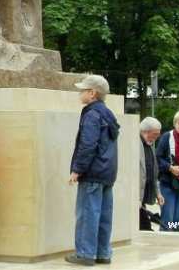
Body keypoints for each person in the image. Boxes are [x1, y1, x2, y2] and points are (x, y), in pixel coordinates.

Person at [66, 75, 120, 266]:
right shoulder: (108, 114)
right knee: (104, 215)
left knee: (88, 214)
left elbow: (88, 144)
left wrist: (77, 169)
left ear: (92, 93)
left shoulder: (91, 114)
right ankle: (103, 253)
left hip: (93, 173)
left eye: (83, 90)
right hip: (107, 173)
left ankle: (85, 254)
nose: (80, 93)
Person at [139, 117, 164, 231]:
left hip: (143, 196)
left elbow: (153, 173)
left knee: (145, 227)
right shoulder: (135, 143)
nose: (157, 137)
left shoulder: (149, 144)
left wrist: (158, 194)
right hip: (136, 196)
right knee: (146, 228)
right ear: (145, 131)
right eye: (155, 134)